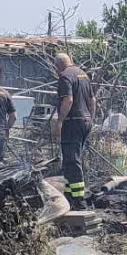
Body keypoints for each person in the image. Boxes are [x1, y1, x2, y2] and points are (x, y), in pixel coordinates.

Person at [53, 52, 95, 210]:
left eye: (56, 68)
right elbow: (92, 100)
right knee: (73, 160)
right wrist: (91, 119)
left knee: (72, 161)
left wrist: (60, 121)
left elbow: (68, 99)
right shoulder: (82, 74)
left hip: (72, 123)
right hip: (85, 121)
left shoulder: (65, 76)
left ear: (59, 65)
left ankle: (79, 200)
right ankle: (70, 195)